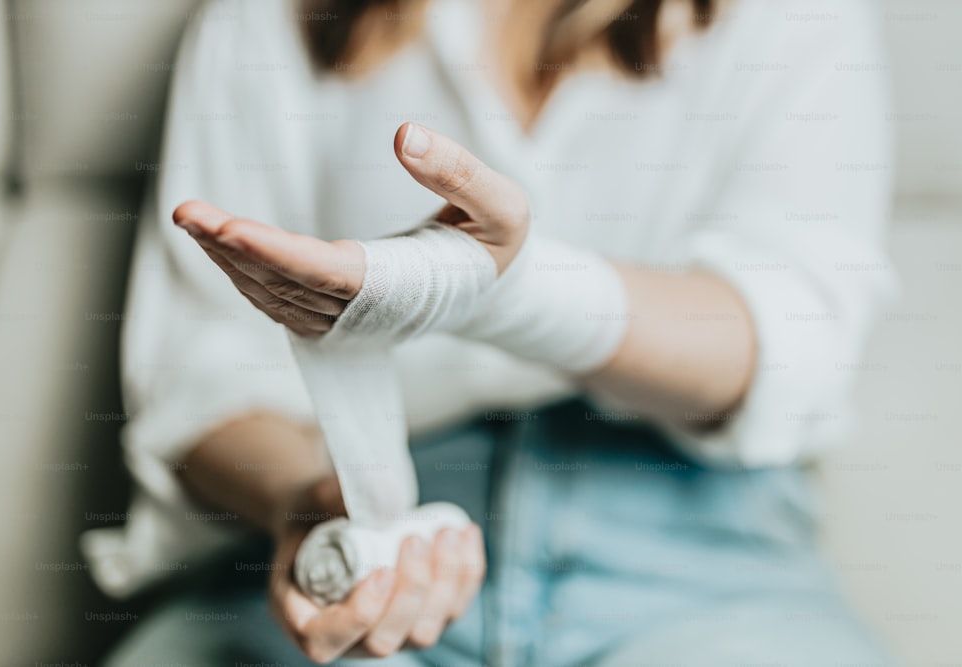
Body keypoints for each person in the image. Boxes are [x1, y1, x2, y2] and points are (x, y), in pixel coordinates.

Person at [92, 0, 898, 664]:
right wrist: (317, 504)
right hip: (374, 521)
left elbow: (790, 338)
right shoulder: (264, 20)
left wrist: (503, 289)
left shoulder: (794, 18)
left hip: (697, 549)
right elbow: (202, 374)